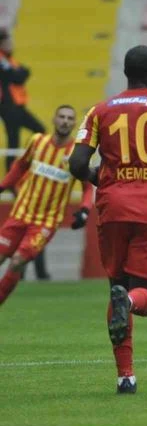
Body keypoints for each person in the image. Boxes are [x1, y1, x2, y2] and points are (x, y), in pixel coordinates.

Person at [69, 45, 147, 394]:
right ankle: (128, 303)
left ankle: (125, 376)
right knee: (145, 296)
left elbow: (77, 164)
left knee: (118, 285)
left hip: (112, 210)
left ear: (127, 73)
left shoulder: (100, 111)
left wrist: (100, 178)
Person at [0, 105, 93, 305]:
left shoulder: (76, 155)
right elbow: (20, 166)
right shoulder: (37, 142)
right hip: (19, 214)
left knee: (17, 261)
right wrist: (3, 186)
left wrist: (85, 210)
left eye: (70, 118)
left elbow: (87, 187)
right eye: (62, 117)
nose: (65, 121)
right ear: (54, 119)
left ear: (74, 124)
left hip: (45, 223)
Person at [0, 28, 45, 174]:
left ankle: (19, 169)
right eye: (7, 42)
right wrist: (20, 73)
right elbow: (18, 76)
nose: (11, 44)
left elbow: (24, 72)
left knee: (34, 133)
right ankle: (12, 176)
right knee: (16, 140)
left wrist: (20, 73)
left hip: (16, 106)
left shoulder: (8, 60)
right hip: (9, 106)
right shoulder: (2, 60)